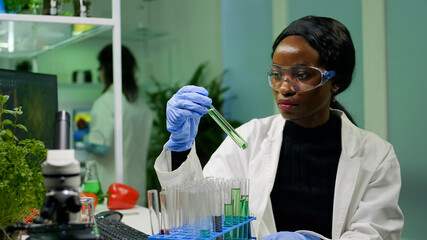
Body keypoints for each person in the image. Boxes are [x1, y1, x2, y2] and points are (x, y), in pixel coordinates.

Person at [154, 16, 403, 239]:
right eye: (276, 74)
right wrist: (181, 147)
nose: (284, 87)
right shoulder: (249, 138)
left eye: (302, 75)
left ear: (335, 82)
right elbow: (201, 217)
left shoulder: (376, 155)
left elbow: (376, 234)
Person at [83, 44, 153, 206]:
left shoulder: (106, 102)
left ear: (107, 69)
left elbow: (101, 146)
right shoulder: (141, 105)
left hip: (112, 191)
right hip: (136, 191)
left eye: (99, 67)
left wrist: (86, 139)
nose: (99, 73)